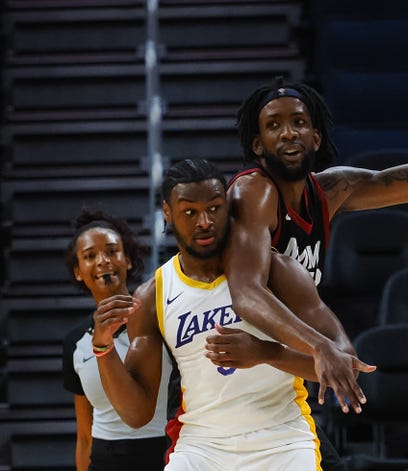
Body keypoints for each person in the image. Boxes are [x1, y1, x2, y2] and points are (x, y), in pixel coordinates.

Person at [224, 22, 408, 467]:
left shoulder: (331, 191)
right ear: (257, 144)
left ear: (316, 137)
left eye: (299, 123)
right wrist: (320, 347)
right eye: (274, 126)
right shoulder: (253, 192)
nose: (288, 133)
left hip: (276, 385)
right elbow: (246, 294)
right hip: (227, 383)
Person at [91, 159, 375, 470]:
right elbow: (137, 414)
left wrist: (266, 352)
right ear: (168, 213)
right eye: (190, 212)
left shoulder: (276, 270)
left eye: (214, 208)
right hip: (202, 447)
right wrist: (103, 348)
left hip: (281, 438)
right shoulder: (151, 296)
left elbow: (344, 364)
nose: (204, 221)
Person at [61, 209, 172, 471]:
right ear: (78, 271)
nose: (102, 261)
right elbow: (85, 435)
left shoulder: (161, 321)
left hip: (164, 453)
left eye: (112, 251)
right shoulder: (75, 342)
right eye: (89, 256)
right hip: (104, 459)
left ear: (128, 260)